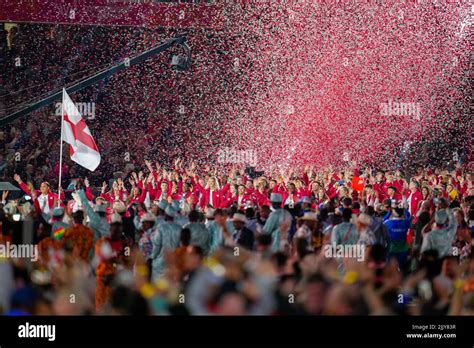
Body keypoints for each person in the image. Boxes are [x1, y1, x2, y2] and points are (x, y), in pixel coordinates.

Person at [94, 213, 132, 311]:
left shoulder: (125, 245)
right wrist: (118, 256)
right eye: (114, 229)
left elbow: (128, 260)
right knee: (101, 307)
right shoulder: (102, 242)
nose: (116, 232)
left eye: (118, 230)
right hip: (103, 279)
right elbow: (102, 256)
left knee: (116, 308)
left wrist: (126, 250)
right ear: (110, 229)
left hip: (117, 281)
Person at [151, 206, 182, 280]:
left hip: (161, 260)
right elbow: (180, 245)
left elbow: (157, 245)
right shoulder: (179, 228)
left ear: (165, 215)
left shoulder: (161, 227)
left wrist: (153, 256)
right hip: (174, 260)